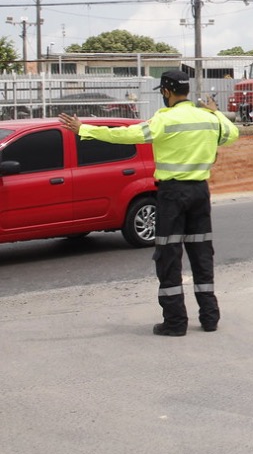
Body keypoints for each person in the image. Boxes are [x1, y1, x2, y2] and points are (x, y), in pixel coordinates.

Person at [59, 70, 239, 337]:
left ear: (166, 92)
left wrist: (84, 129)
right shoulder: (208, 118)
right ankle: (210, 317)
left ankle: (176, 322)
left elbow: (126, 135)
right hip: (200, 193)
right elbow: (233, 134)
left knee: (168, 256)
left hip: (172, 194)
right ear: (186, 91)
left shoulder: (163, 120)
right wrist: (215, 112)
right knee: (201, 254)